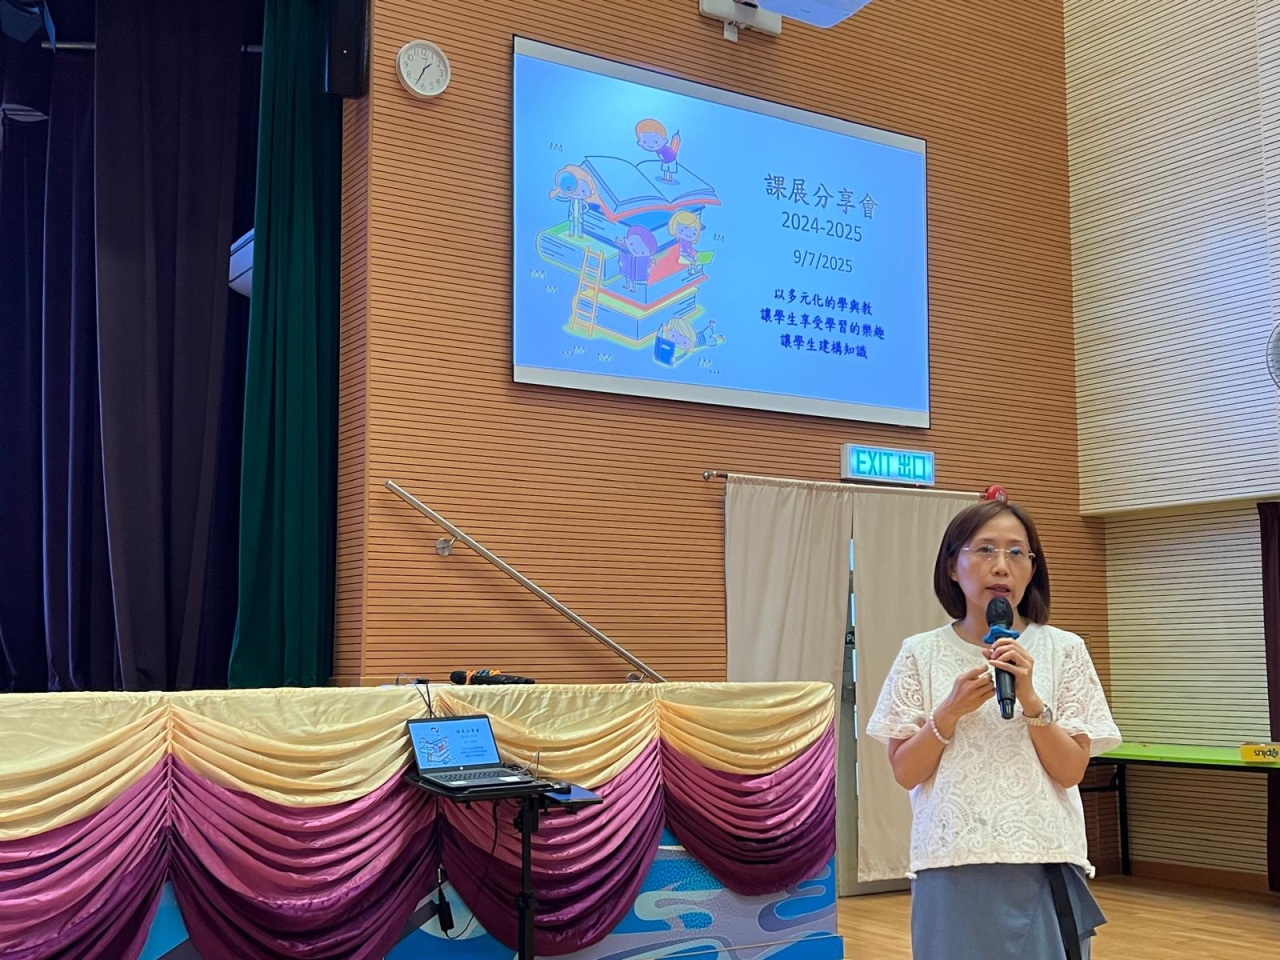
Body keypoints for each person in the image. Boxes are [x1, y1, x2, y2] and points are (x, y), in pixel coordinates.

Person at [866, 499, 1122, 960]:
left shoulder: (1064, 650)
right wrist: (949, 712)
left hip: (1043, 858)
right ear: (952, 566)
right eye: (985, 549)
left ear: (1032, 569)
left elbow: (1070, 772)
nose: (1001, 565)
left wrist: (1031, 700)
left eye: (1016, 552)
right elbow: (905, 772)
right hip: (951, 859)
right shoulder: (920, 653)